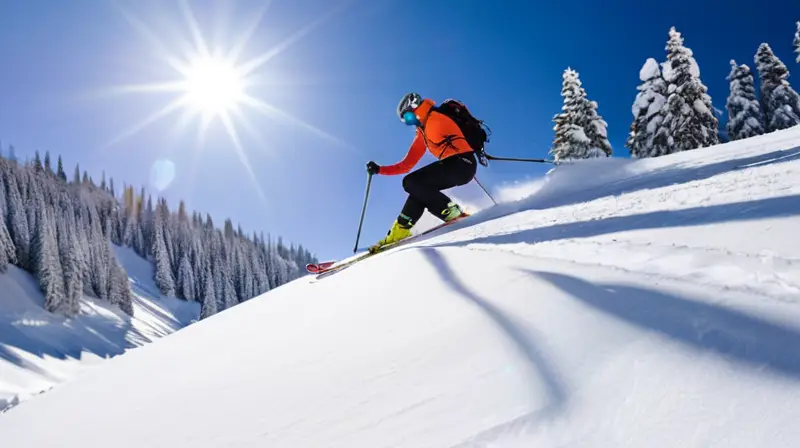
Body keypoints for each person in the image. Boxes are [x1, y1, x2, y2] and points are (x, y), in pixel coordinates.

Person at [365, 92, 477, 253]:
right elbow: (406, 165)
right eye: (406, 122)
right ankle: (400, 230)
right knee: (416, 188)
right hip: (456, 165)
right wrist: (379, 170)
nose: (411, 123)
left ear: (416, 108)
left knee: (412, 182)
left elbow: (457, 135)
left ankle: (451, 211)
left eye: (409, 118)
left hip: (462, 163)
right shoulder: (423, 133)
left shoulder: (437, 118)